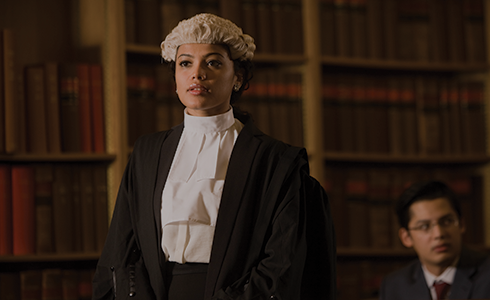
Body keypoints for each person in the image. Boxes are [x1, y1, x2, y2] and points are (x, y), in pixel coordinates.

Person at [92, 13, 336, 300]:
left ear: (238, 78)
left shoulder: (275, 161)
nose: (197, 74)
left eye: (213, 63)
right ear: (175, 79)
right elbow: (123, 250)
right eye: (185, 63)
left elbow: (282, 263)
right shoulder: (147, 152)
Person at [380, 180, 490, 300]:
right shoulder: (394, 286)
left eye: (447, 221)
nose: (439, 234)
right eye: (425, 226)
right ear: (406, 238)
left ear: (461, 224)